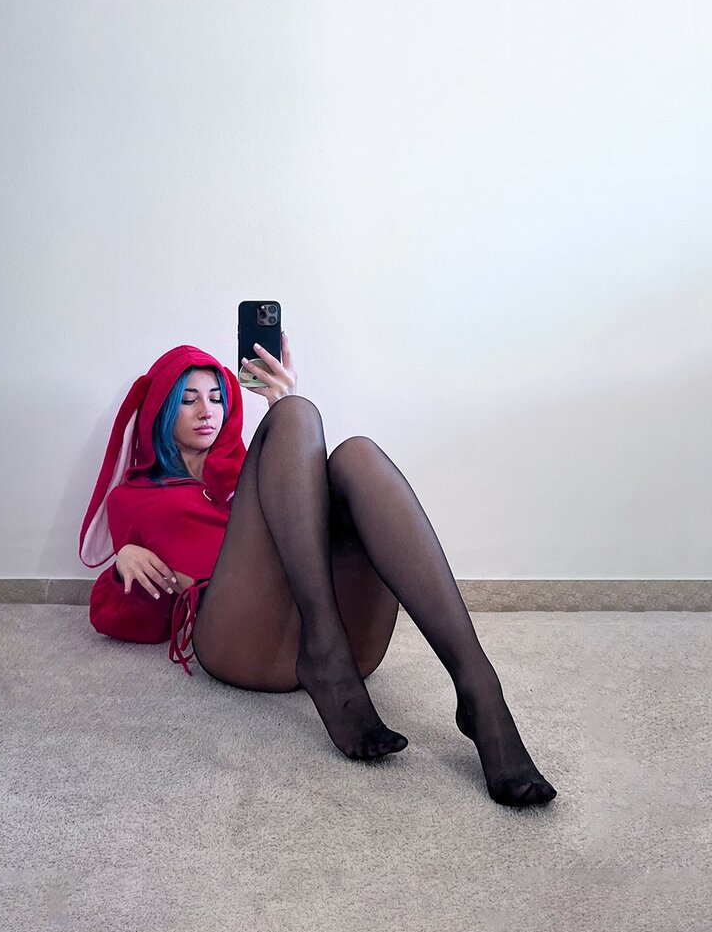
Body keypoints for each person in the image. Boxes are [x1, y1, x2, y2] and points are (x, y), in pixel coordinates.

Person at [80, 335, 557, 808]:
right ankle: (327, 653)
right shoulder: (133, 498)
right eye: (188, 400)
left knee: (355, 454)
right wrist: (123, 561)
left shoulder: (250, 473)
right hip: (240, 646)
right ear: (162, 411)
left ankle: (478, 687)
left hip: (349, 651)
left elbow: (301, 486)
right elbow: (114, 616)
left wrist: (279, 406)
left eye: (216, 397)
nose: (207, 411)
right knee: (297, 415)